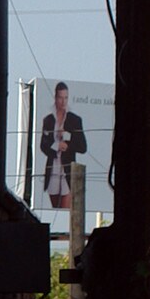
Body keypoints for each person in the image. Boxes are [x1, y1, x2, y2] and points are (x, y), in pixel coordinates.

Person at [39, 82, 86, 211]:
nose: (63, 101)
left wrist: (68, 142)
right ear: (55, 98)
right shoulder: (48, 120)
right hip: (53, 167)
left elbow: (83, 147)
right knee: (56, 209)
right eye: (60, 97)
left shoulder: (75, 120)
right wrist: (56, 145)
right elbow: (43, 145)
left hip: (68, 169)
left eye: (66, 97)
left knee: (66, 209)